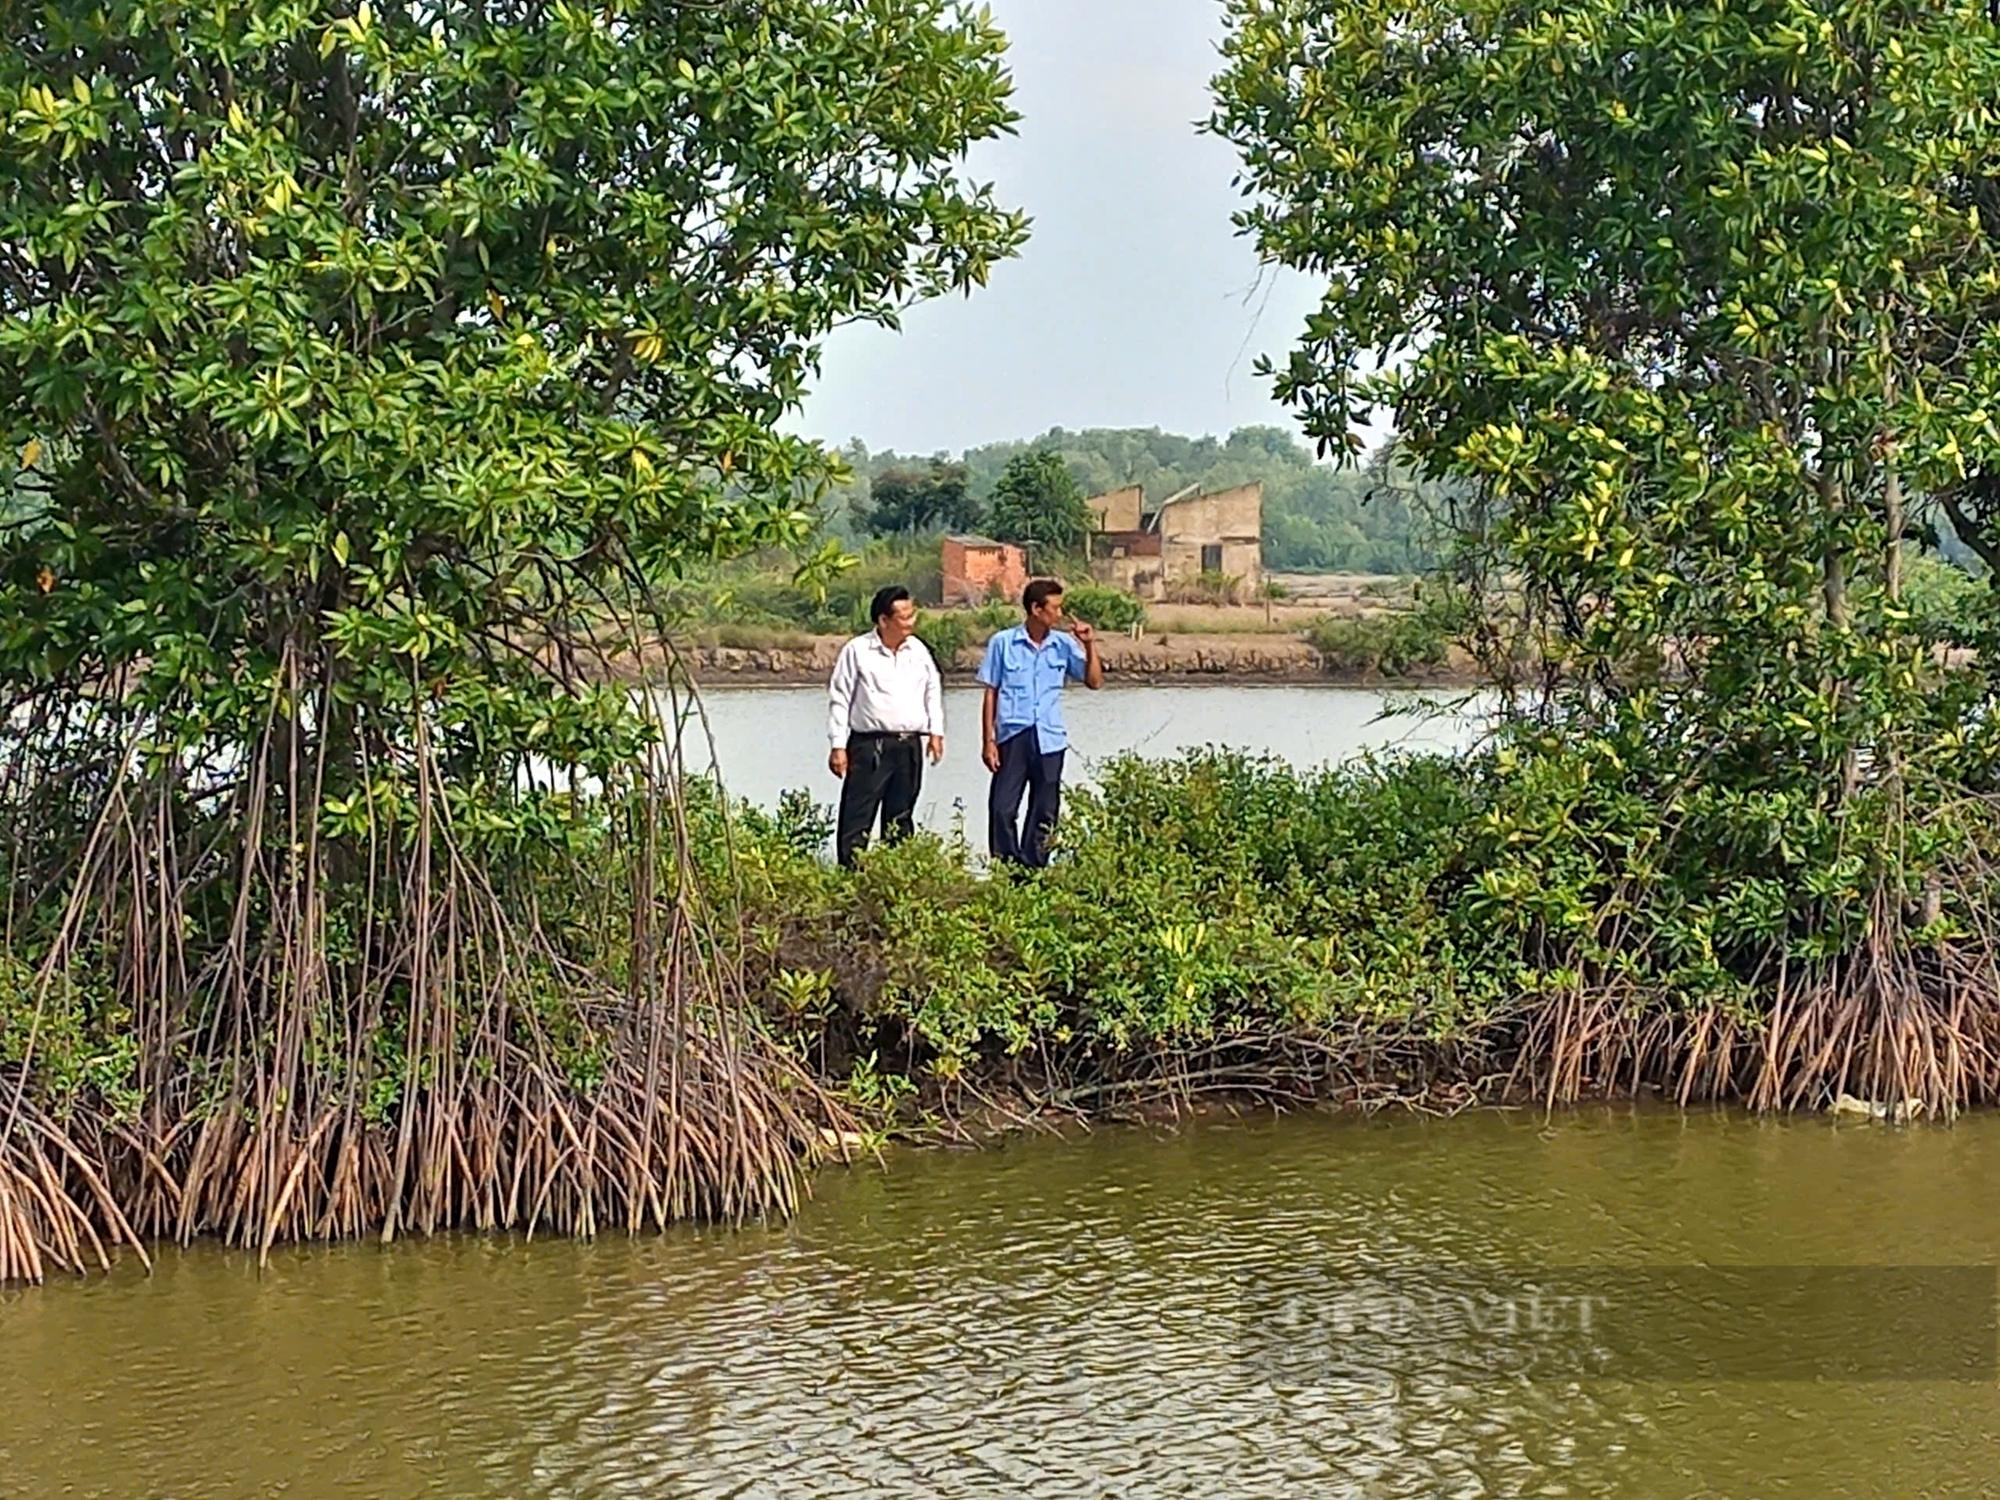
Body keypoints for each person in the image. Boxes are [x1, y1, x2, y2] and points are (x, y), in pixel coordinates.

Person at [978, 577, 1103, 867]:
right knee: (1002, 808)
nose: (1060, 615)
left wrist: (1089, 645)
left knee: (1045, 810)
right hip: (1013, 735)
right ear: (1036, 609)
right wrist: (989, 741)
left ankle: (1034, 868)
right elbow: (990, 692)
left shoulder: (1062, 645)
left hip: (1049, 737)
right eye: (1055, 608)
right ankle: (1008, 868)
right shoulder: (1003, 643)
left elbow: (1094, 682)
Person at [826, 585, 945, 868]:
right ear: (883, 620)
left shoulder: (918, 650)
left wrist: (936, 732)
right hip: (870, 745)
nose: (911, 622)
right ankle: (851, 876)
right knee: (859, 815)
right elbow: (840, 697)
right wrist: (838, 746)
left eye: (912, 614)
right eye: (903, 617)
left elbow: (932, 689)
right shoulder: (858, 650)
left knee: (900, 816)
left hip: (909, 744)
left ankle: (898, 875)